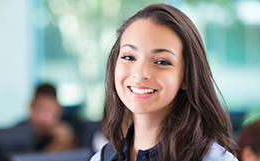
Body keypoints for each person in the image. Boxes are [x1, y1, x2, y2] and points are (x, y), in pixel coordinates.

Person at [91, 4, 237, 161]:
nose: (140, 74)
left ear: (187, 77)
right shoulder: (102, 158)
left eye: (161, 62)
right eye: (129, 57)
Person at [18, 83, 76, 151]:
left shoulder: (66, 133)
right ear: (31, 106)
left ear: (59, 110)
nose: (43, 117)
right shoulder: (17, 134)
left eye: (49, 110)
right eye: (39, 109)